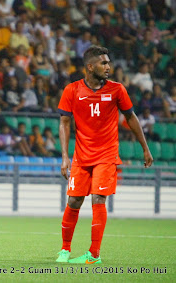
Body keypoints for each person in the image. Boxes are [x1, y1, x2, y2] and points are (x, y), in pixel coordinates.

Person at [56, 45, 153, 264]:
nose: (108, 66)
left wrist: (145, 148)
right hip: (81, 156)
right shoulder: (72, 90)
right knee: (73, 201)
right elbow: (64, 122)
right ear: (90, 67)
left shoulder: (117, 89)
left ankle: (93, 254)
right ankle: (65, 249)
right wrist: (64, 156)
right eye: (103, 63)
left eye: (108, 62)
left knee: (98, 198)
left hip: (106, 155)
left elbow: (131, 118)